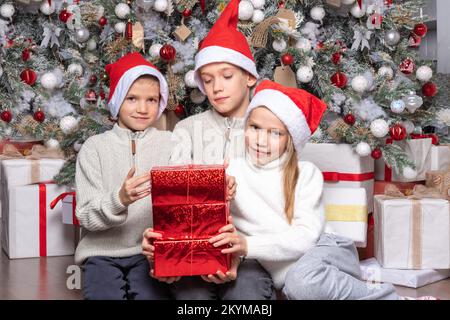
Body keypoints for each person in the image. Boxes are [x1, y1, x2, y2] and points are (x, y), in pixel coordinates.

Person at [142, 0, 275, 300]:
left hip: (251, 250)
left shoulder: (269, 128)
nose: (216, 88)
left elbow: (279, 202)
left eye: (227, 76)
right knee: (193, 300)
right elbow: (173, 202)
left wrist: (238, 255)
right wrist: (164, 252)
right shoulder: (187, 130)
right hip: (197, 248)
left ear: (250, 76)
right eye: (207, 79)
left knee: (247, 297)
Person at [220, 79, 400, 300]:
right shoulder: (232, 171)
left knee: (301, 282)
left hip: (326, 248)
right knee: (297, 284)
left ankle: (388, 297)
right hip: (293, 272)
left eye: (275, 133)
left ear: (291, 139)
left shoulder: (305, 173)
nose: (261, 140)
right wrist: (220, 193)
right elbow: (226, 226)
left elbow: (305, 237)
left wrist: (248, 245)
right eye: (255, 127)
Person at [75, 52, 176, 300]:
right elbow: (86, 216)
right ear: (117, 100)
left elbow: (181, 204)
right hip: (101, 253)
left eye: (152, 100)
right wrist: (119, 199)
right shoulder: (94, 148)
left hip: (150, 253)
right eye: (132, 98)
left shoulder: (172, 143)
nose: (143, 109)